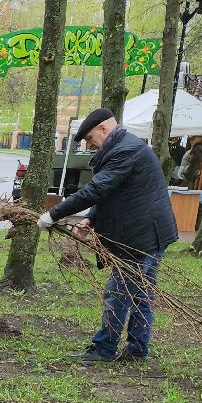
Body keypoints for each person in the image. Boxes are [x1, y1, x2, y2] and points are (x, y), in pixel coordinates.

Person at [38, 107, 179, 363]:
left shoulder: (126, 151)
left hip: (140, 237)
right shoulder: (125, 147)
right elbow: (111, 191)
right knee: (141, 294)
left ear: (103, 129)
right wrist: (91, 218)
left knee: (120, 293)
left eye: (90, 139)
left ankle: (104, 350)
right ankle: (137, 350)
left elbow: (96, 189)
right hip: (150, 233)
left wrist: (53, 214)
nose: (90, 146)